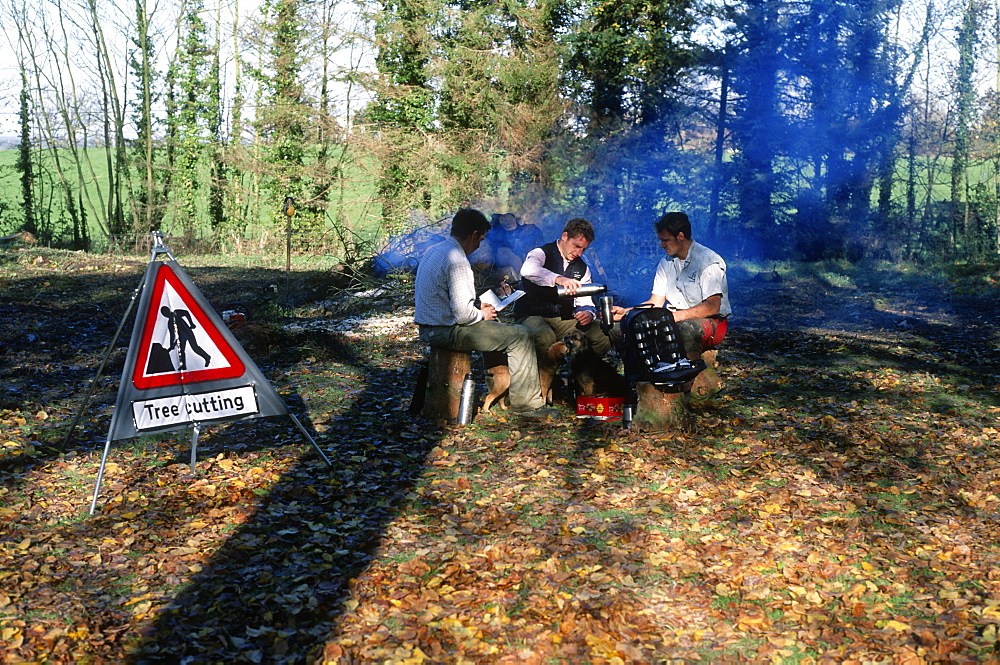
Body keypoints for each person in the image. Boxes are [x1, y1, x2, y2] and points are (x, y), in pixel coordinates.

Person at [414, 208, 557, 420]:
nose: (480, 245)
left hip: (431, 327)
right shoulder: (458, 260)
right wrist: (482, 315)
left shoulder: (436, 251)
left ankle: (500, 390)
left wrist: (482, 311)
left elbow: (449, 301)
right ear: (473, 235)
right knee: (521, 335)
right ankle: (527, 406)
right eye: (480, 239)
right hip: (445, 330)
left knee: (499, 328)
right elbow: (463, 316)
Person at [612, 211, 730, 357]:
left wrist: (676, 316)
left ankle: (687, 375)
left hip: (712, 321)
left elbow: (713, 306)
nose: (661, 245)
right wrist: (628, 312)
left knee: (685, 330)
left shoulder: (707, 260)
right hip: (675, 317)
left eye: (665, 240)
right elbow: (655, 302)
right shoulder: (666, 262)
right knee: (627, 327)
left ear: (680, 236)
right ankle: (646, 376)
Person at [515, 217, 613, 362]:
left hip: (562, 318)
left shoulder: (582, 268)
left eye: (583, 249)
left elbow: (585, 300)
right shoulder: (541, 253)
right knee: (544, 337)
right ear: (565, 236)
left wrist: (587, 313)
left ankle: (580, 376)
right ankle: (542, 380)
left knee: (601, 336)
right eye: (576, 246)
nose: (579, 253)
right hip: (531, 314)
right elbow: (528, 270)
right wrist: (558, 279)